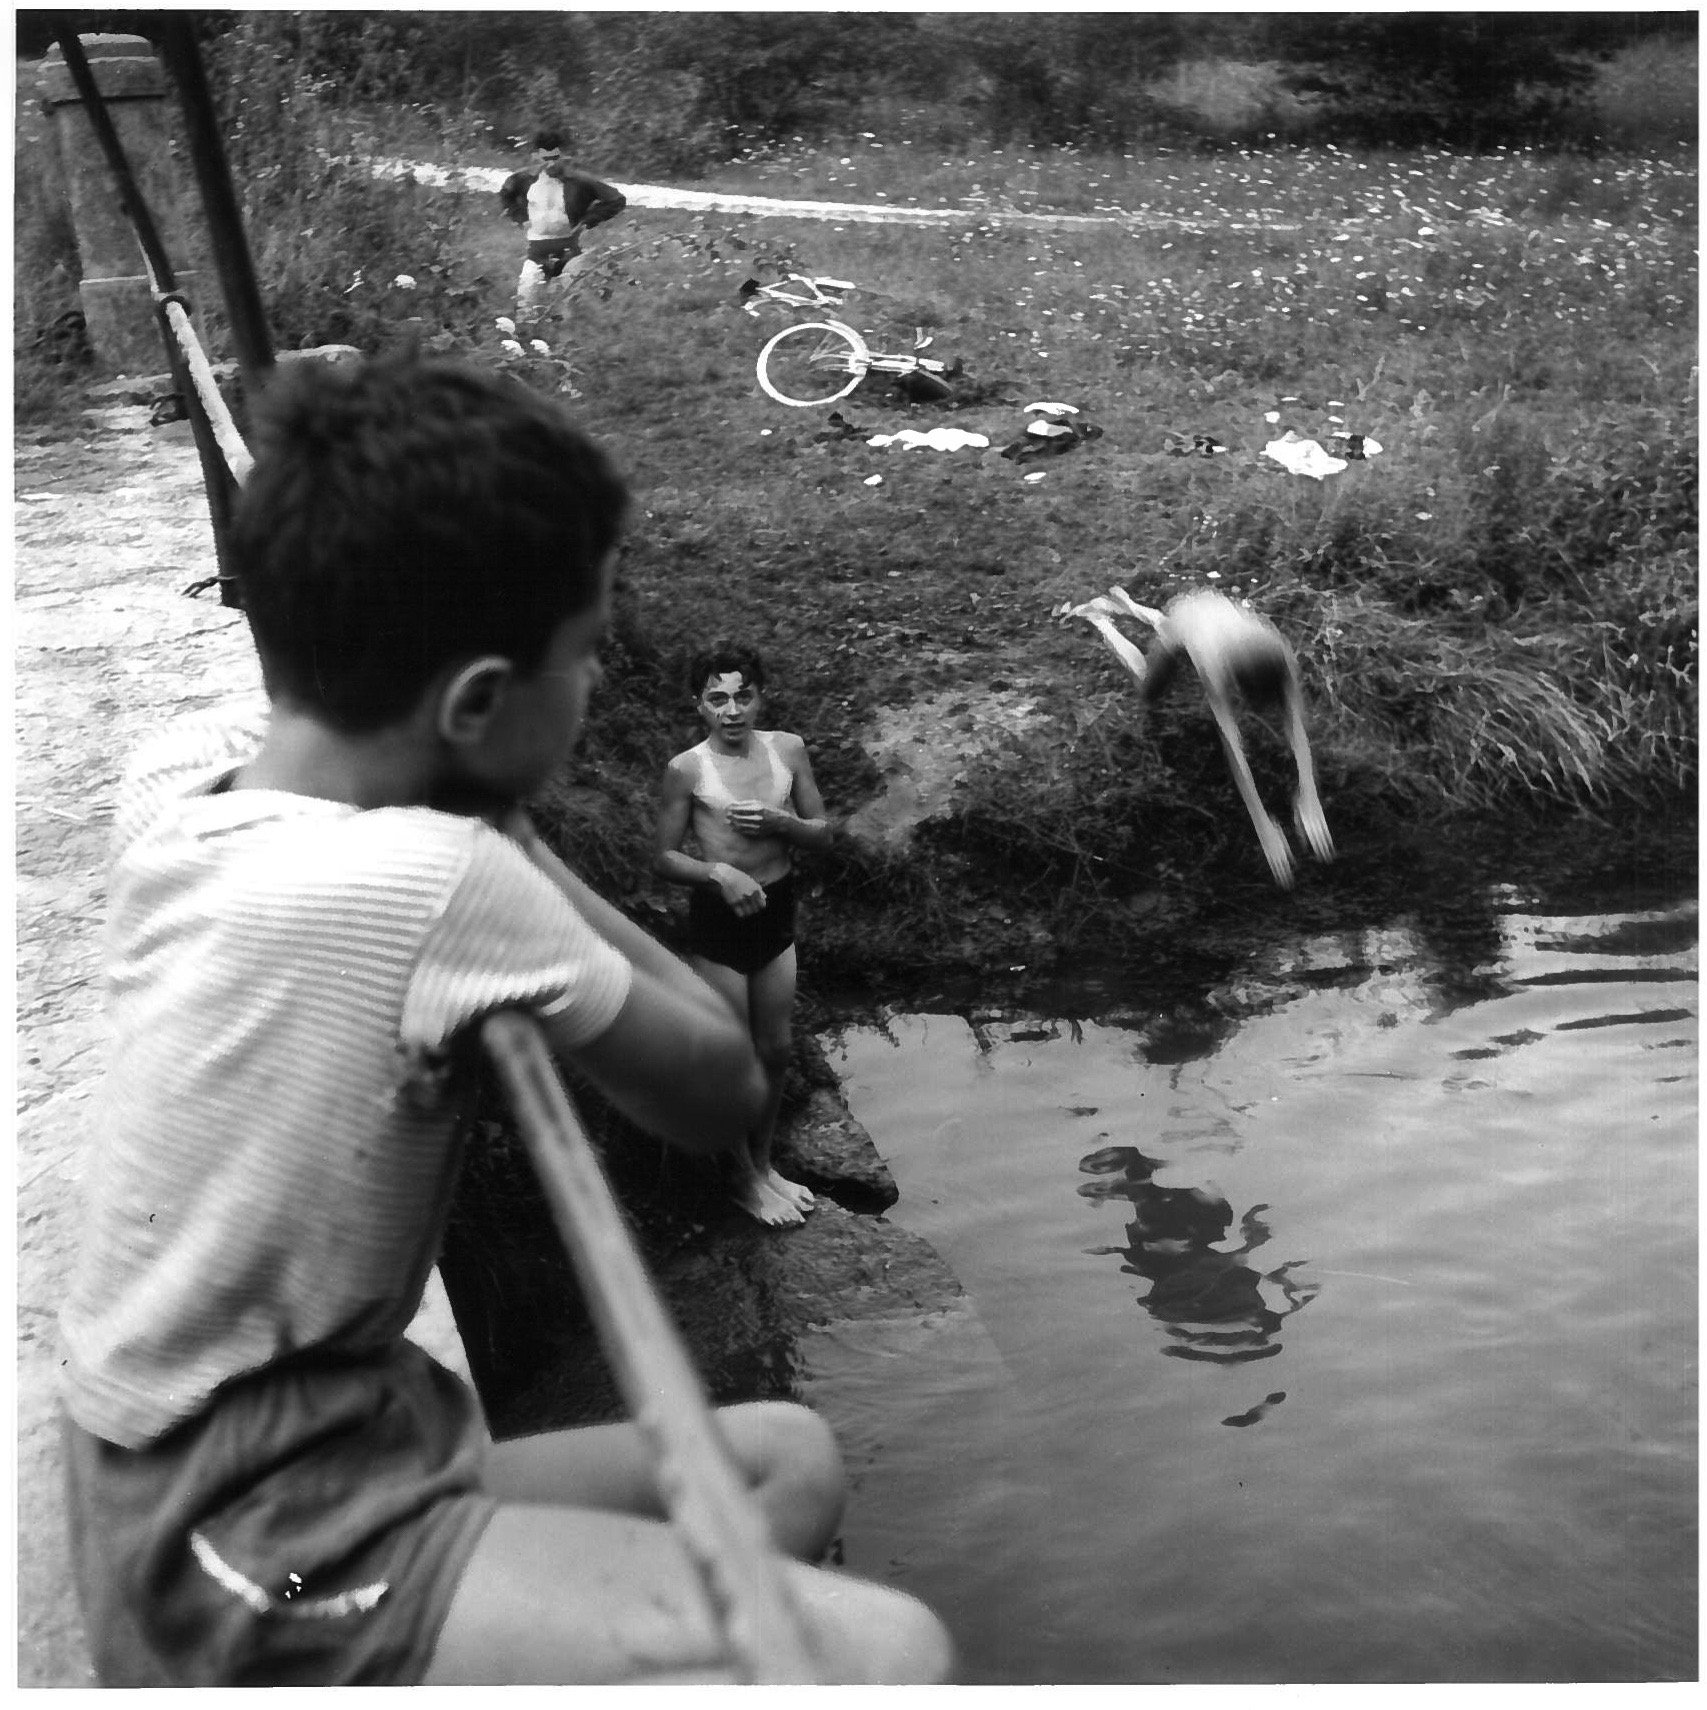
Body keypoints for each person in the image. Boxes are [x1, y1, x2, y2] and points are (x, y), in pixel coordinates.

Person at [55, 353, 952, 1687]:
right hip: (255, 1546)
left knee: (789, 1457)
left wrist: (467, 812)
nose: (592, 691)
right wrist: (522, 853)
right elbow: (718, 1085)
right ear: (475, 704)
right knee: (891, 1650)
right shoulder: (443, 878)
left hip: (277, 1456)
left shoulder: (183, 794)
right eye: (583, 656)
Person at [655, 646, 832, 1229]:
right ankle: (741, 1181)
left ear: (761, 696)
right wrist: (718, 872)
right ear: (700, 705)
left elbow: (823, 833)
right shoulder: (689, 768)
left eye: (743, 696)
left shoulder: (788, 749)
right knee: (734, 1059)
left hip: (776, 910)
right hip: (720, 917)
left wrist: (785, 825)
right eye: (718, 699)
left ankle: (763, 1163)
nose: (732, 710)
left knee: (776, 1050)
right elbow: (659, 857)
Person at [1065, 584, 1334, 889]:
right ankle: (1099, 619)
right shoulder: (1214, 663)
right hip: (1188, 623)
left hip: (1209, 609)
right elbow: (1233, 744)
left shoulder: (1278, 652)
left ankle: (1128, 603)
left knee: (1171, 622)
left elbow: (1295, 724)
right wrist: (1262, 825)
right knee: (1147, 687)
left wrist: (1309, 793)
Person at [498, 128, 627, 326]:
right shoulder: (523, 180)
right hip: (536, 253)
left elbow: (616, 199)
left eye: (555, 158)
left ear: (563, 156)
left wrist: (587, 222)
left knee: (570, 311)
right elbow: (505, 195)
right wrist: (520, 218)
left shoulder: (579, 182)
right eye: (545, 158)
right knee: (526, 305)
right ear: (535, 156)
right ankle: (528, 342)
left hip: (570, 253)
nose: (550, 163)